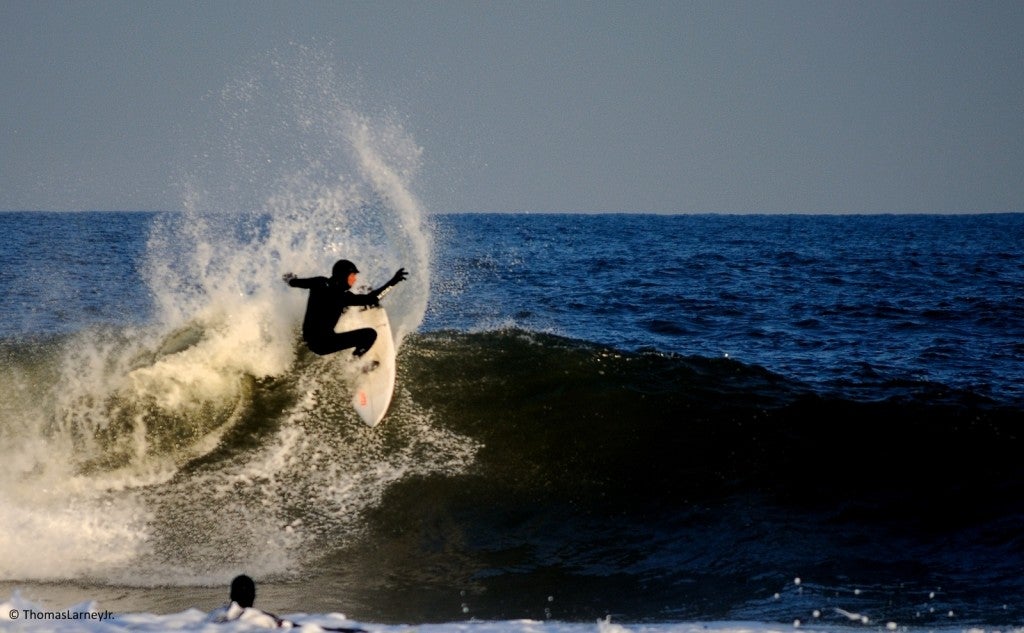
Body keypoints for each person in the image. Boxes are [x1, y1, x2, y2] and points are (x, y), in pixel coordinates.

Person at [283, 259, 407, 357]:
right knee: (369, 334)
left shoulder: (318, 282)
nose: (355, 279)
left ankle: (354, 306)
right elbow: (372, 299)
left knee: (339, 308)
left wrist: (290, 279)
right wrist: (393, 281)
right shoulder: (342, 296)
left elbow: (295, 282)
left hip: (308, 339)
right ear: (343, 276)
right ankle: (356, 361)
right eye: (352, 275)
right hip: (323, 344)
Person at [211, 574, 365, 632]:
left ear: (231, 594)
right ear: (254, 596)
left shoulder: (215, 617)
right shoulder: (261, 618)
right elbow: (300, 628)